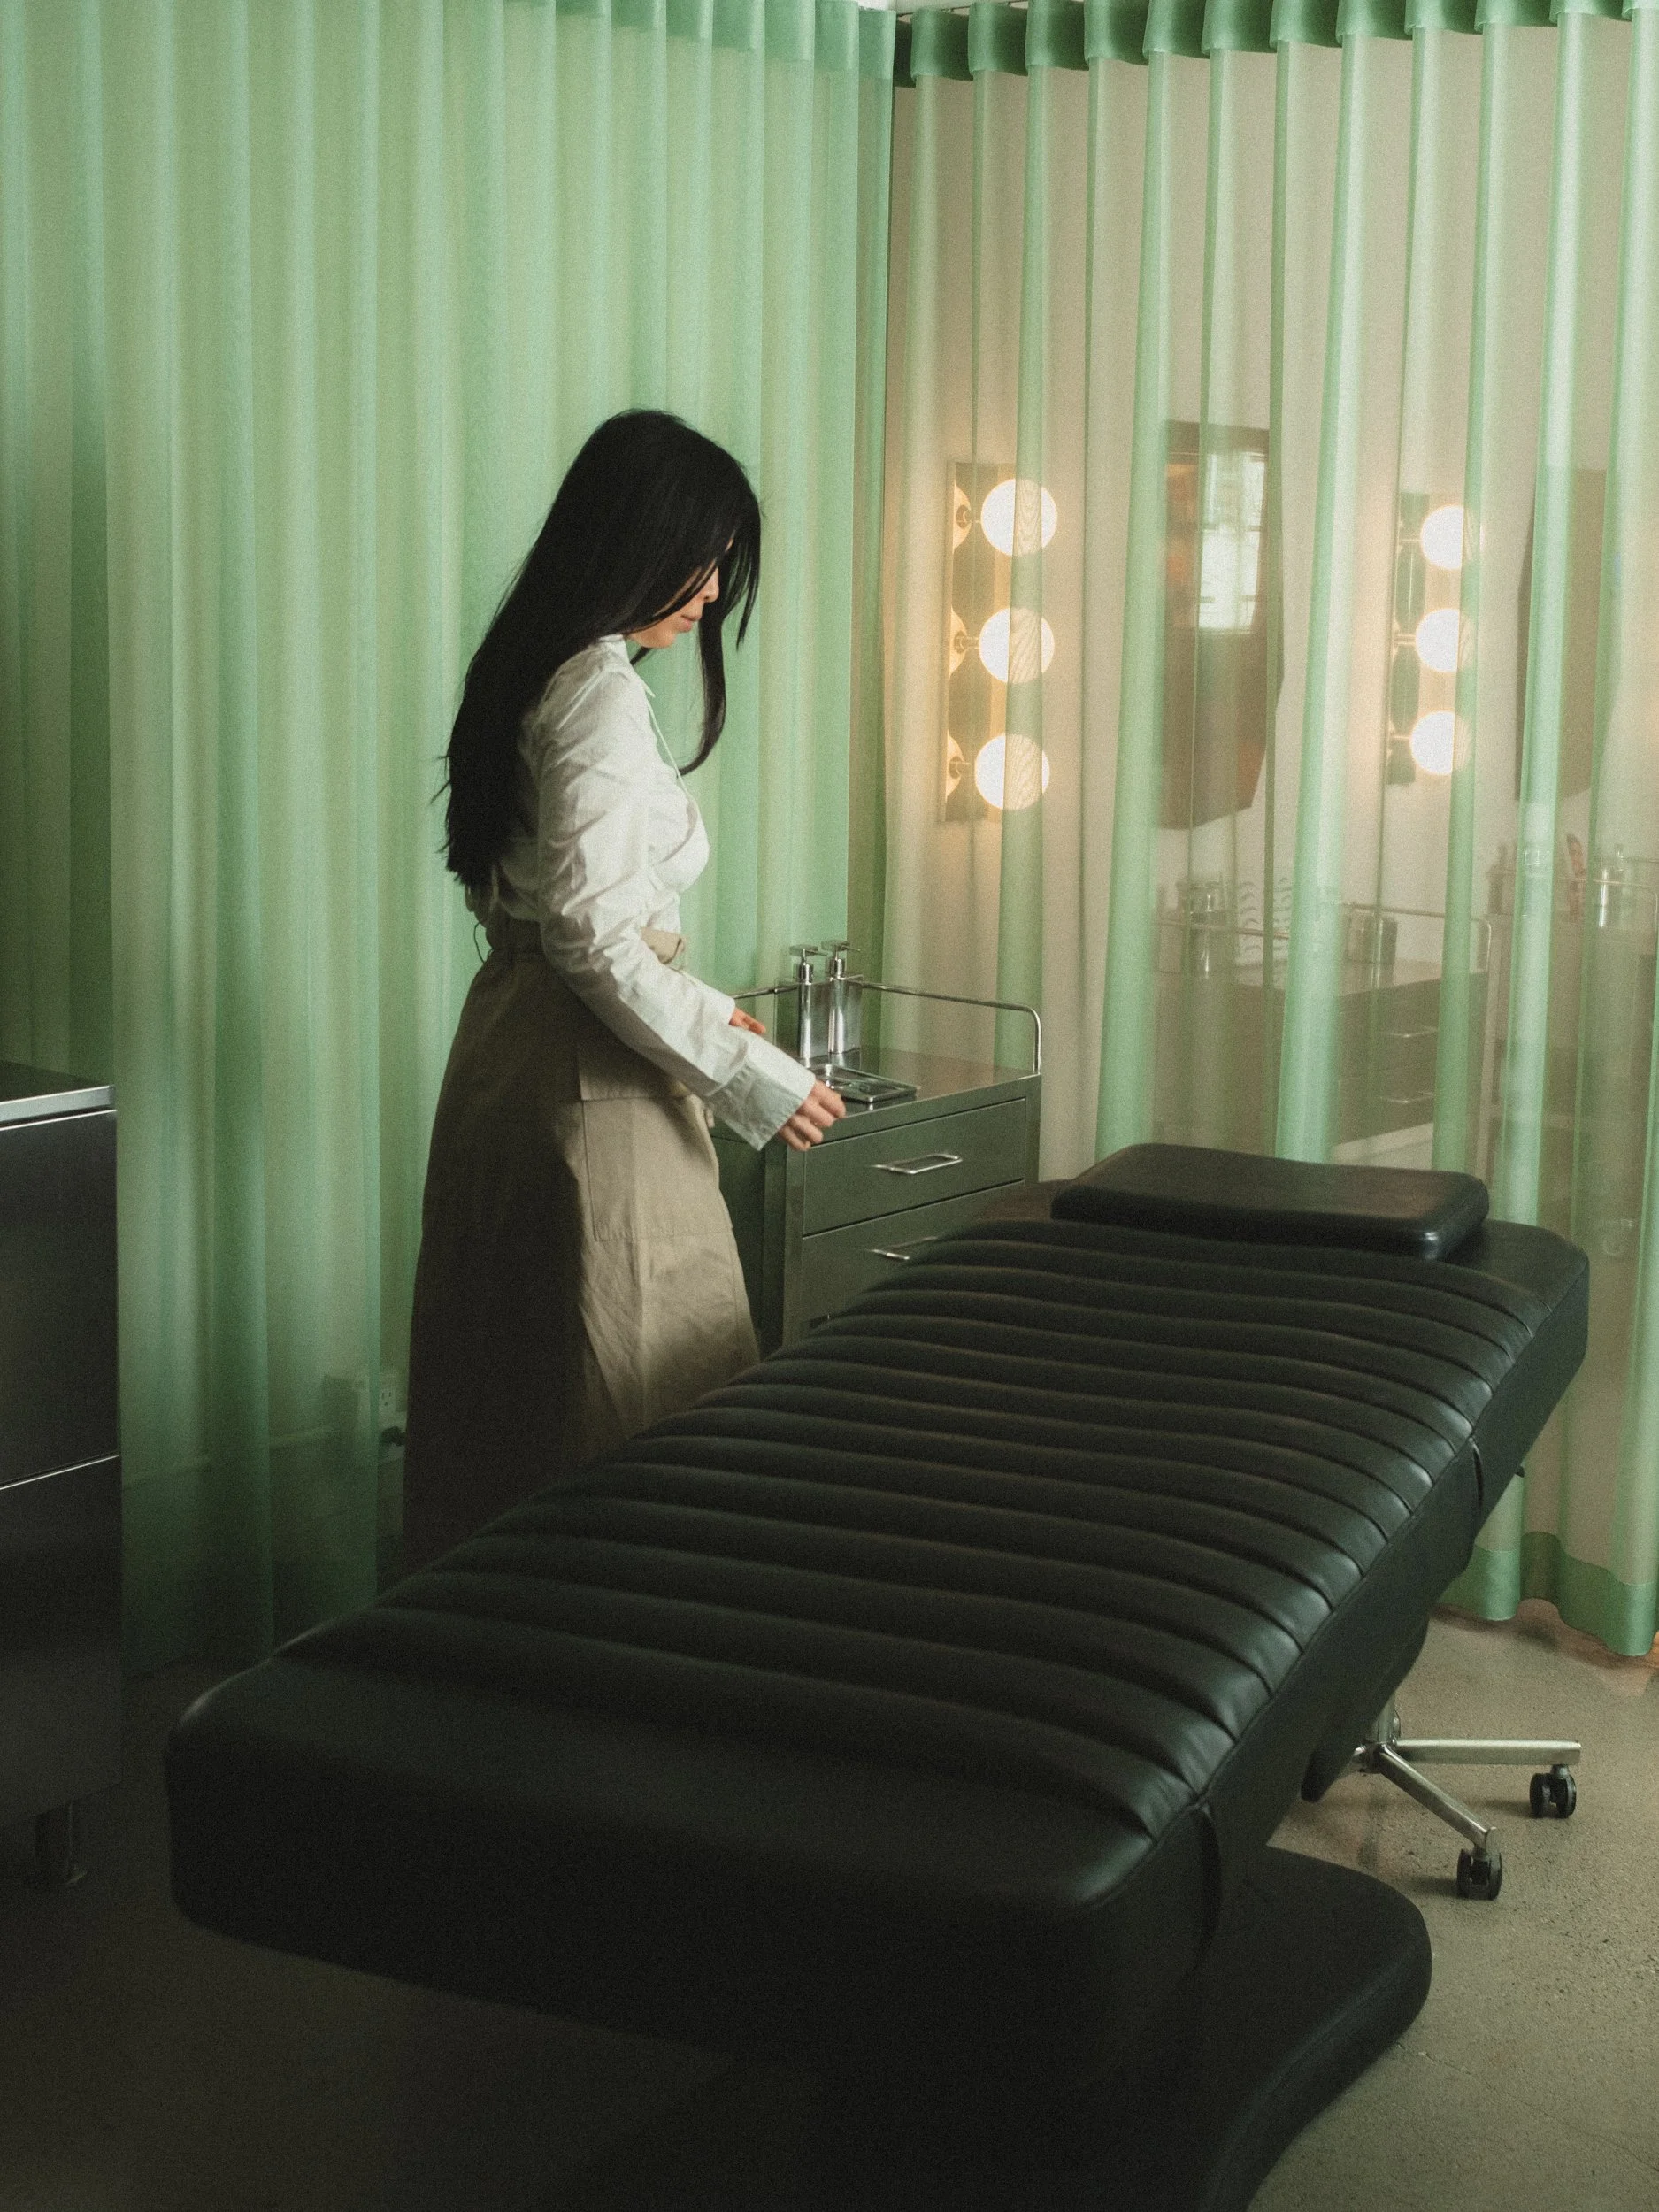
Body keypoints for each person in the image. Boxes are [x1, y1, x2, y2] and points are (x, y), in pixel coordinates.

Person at [400, 410, 844, 1571]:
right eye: (701, 563)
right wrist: (745, 1065)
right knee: (636, 1408)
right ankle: (632, 1690)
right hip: (589, 1080)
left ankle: (506, 1685)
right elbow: (595, 934)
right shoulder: (595, 689)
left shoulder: (526, 671)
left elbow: (548, 918)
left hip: (513, 1051)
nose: (709, 597)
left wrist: (690, 1005)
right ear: (634, 540)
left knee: (517, 1407)